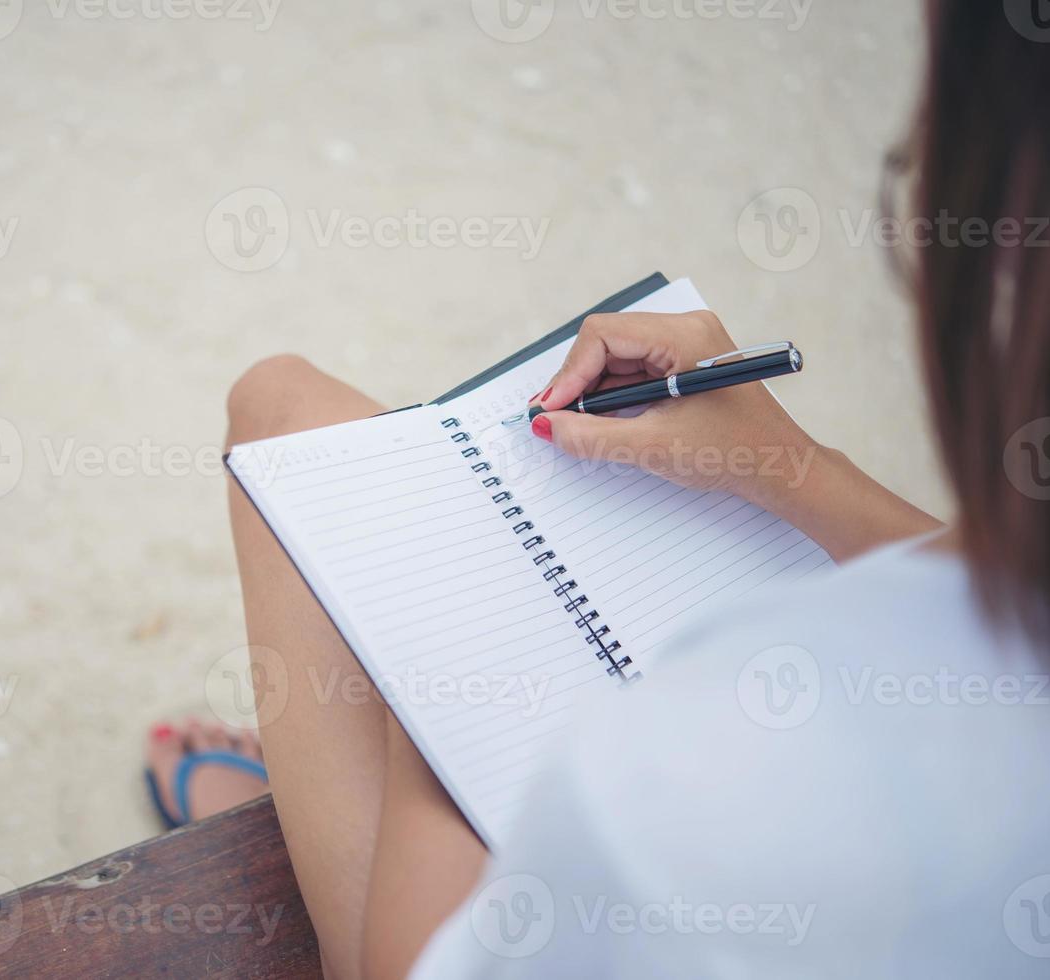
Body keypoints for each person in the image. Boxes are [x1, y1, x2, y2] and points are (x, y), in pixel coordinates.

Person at [147, 3, 1050, 975]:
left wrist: (441, 697)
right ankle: (304, 792)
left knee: (279, 416)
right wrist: (794, 468)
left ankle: (297, 800)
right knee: (287, 399)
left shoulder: (664, 794)